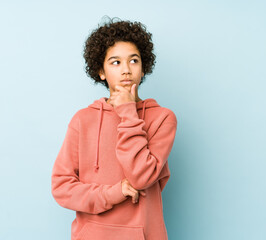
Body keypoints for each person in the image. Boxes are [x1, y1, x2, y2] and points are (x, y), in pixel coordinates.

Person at [51, 17, 178, 240]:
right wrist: (113, 193)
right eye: (115, 62)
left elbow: (141, 177)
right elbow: (62, 187)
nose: (126, 70)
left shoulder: (162, 118)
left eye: (134, 61)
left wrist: (128, 111)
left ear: (143, 67)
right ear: (101, 71)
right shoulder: (83, 120)